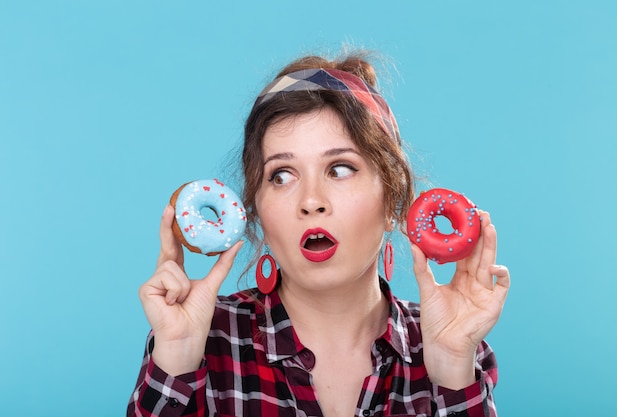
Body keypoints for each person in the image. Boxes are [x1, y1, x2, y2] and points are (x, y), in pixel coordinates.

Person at [127, 51, 510, 417]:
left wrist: (451, 370)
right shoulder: (207, 338)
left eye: (340, 169)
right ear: (255, 210)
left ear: (394, 200)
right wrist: (176, 358)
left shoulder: (454, 345)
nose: (311, 201)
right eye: (281, 175)